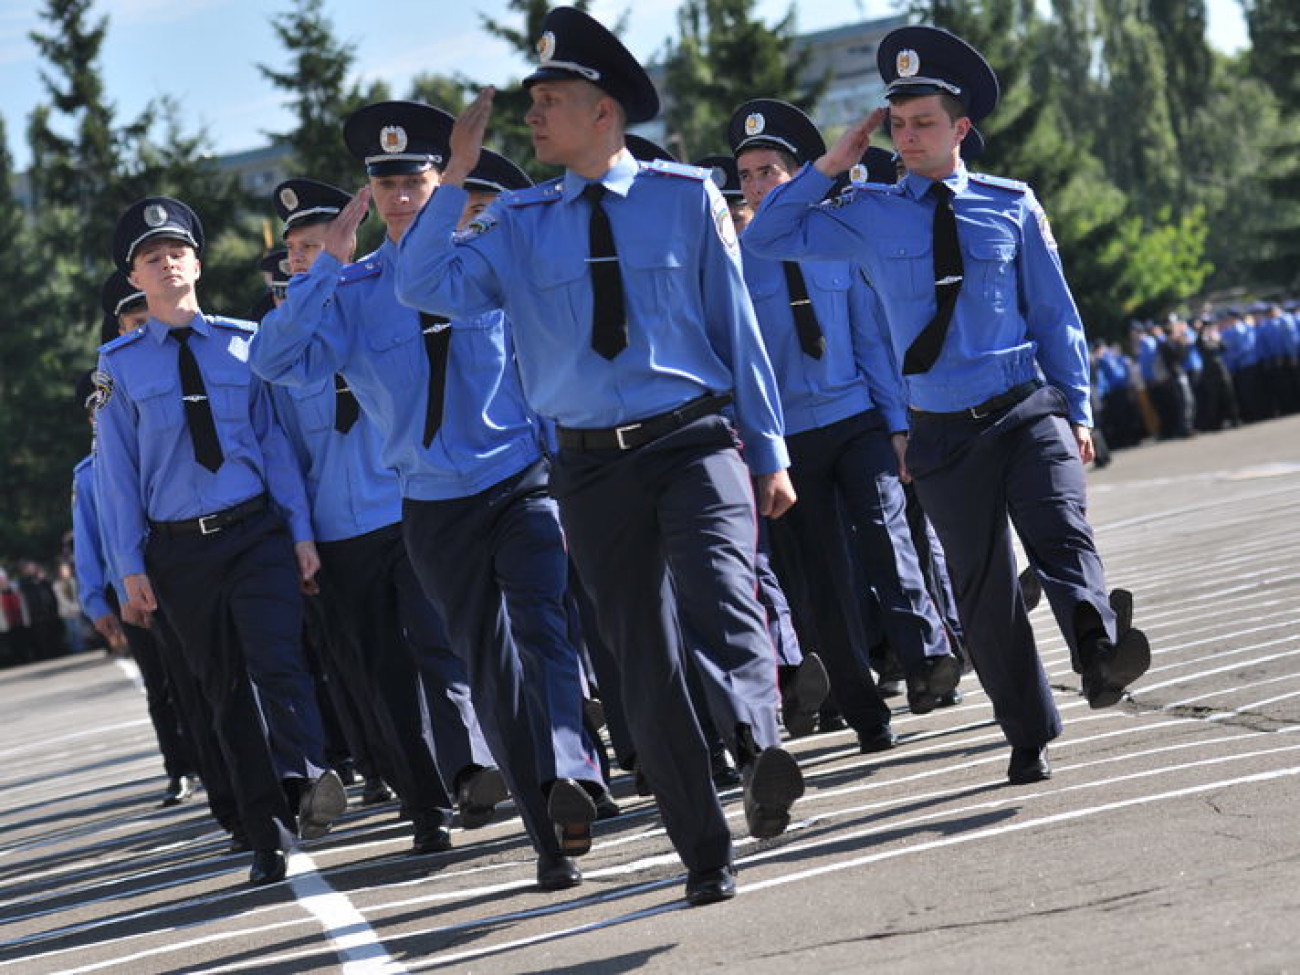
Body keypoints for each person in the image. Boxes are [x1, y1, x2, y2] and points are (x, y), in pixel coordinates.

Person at [393, 5, 806, 908]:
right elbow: (423, 284)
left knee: (721, 591)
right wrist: (453, 174)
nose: (532, 116)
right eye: (532, 99)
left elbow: (738, 334)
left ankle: (756, 740)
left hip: (694, 439)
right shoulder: (516, 221)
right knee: (642, 658)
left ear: (604, 113)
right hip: (589, 470)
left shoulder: (683, 196)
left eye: (551, 99)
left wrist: (768, 449)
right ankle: (706, 852)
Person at [744, 24, 1150, 784]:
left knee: (1062, 535)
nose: (908, 136)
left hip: (1025, 406)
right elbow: (766, 238)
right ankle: (1027, 732)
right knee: (984, 592)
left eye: (923, 121)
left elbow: (1055, 315)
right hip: (940, 432)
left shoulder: (1011, 205)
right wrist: (832, 162)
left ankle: (1099, 652)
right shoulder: (866, 212)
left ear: (961, 128)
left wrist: (1082, 410)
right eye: (897, 124)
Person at [248, 103, 612, 892]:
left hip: (518, 480)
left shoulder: (485, 260)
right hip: (435, 506)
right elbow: (275, 362)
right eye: (385, 183)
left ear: (440, 179)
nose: (401, 194)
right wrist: (322, 272)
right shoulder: (355, 289)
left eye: (415, 177)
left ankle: (571, 769)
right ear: (371, 195)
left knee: (545, 628)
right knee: (488, 667)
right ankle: (547, 833)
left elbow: (542, 366)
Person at [92, 196, 345, 885]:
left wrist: (300, 533)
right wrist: (127, 566)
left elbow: (275, 445)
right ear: (135, 279)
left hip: (254, 529)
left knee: (280, 660)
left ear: (197, 264)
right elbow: (117, 477)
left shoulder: (243, 343)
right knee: (224, 691)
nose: (167, 263)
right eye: (152, 257)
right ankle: (266, 832)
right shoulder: (117, 366)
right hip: (179, 551)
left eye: (177, 251)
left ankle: (306, 775)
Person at [258, 175, 507, 855]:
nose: (309, 256)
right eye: (300, 250)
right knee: (381, 673)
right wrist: (302, 539)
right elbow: (282, 456)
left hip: (408, 507)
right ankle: (424, 804)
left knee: (441, 647)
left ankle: (469, 768)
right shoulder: (293, 330)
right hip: (341, 535)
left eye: (321, 242)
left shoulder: (382, 297)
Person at [729, 97, 961, 749]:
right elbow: (743, 363)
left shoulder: (838, 238)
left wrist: (896, 423)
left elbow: (870, 337)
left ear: (800, 174)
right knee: (825, 580)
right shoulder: (737, 261)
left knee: (887, 532)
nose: (754, 185)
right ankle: (865, 711)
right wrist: (760, 450)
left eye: (767, 171)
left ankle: (925, 661)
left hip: (856, 417)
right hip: (791, 440)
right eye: (745, 175)